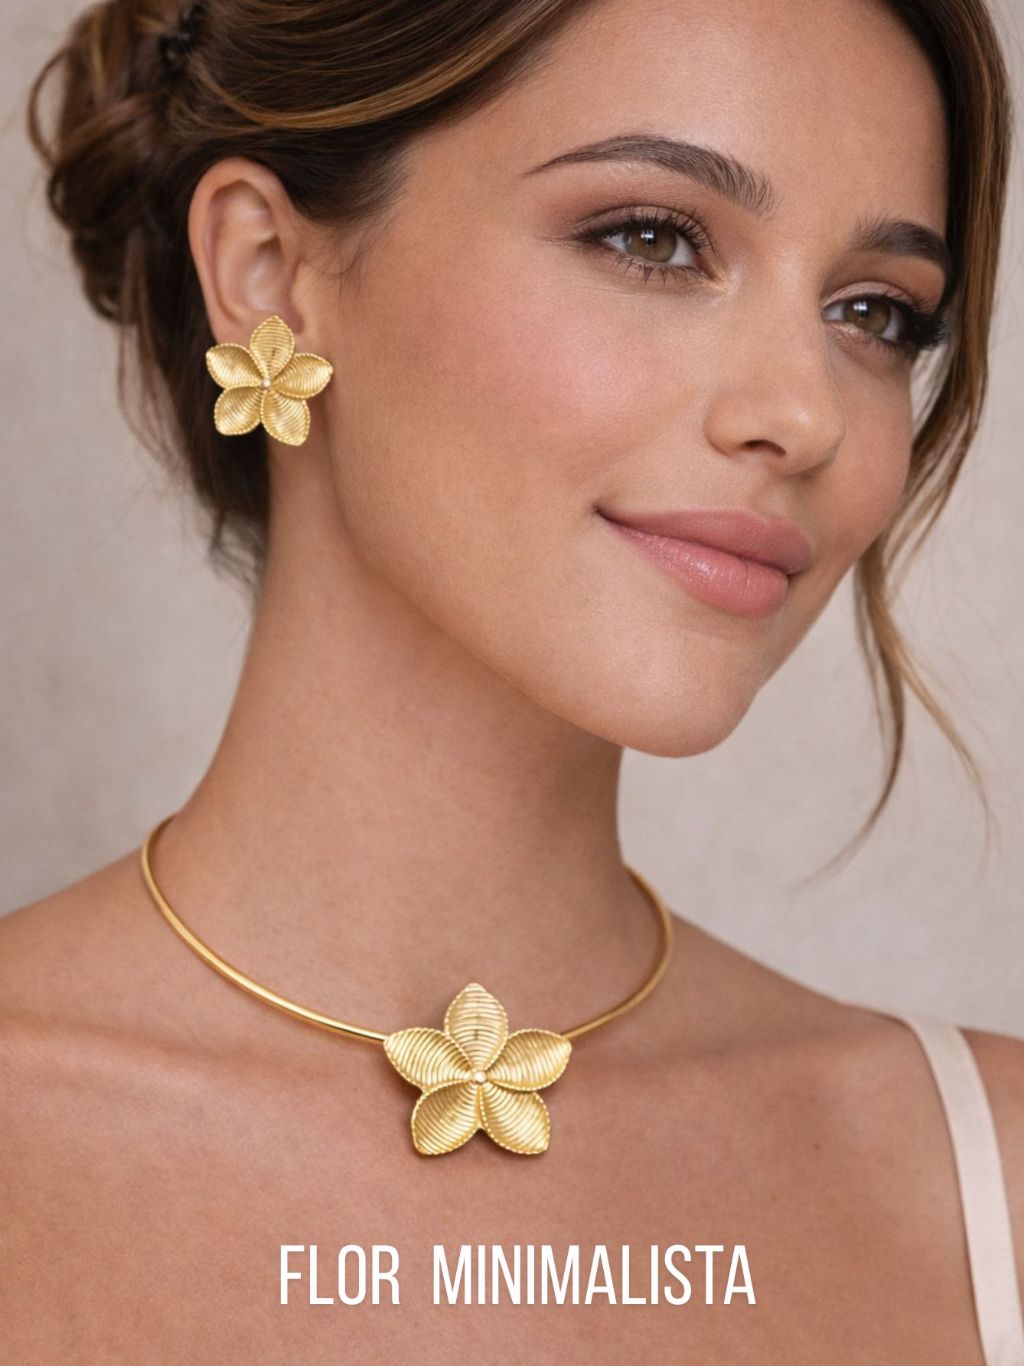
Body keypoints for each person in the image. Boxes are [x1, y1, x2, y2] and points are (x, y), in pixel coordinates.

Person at [2, 0, 1021, 1360]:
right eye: (652, 238)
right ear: (267, 270)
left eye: (876, 313)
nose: (806, 412)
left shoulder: (986, 1183)